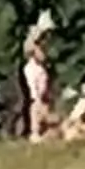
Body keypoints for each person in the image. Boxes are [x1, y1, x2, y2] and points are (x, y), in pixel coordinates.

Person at [21, 12, 57, 141]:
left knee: (43, 99)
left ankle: (43, 128)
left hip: (42, 70)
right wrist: (34, 39)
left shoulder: (47, 41)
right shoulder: (34, 38)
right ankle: (34, 131)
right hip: (33, 69)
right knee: (35, 100)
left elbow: (44, 57)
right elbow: (28, 51)